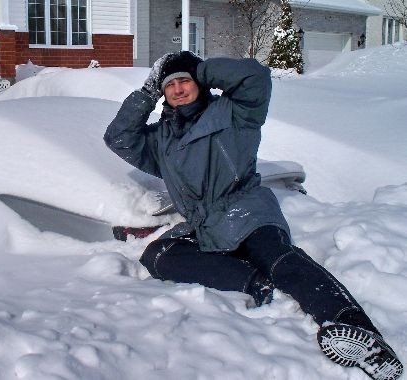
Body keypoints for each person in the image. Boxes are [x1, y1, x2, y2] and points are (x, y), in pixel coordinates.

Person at [104, 51, 403, 380]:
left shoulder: (234, 112)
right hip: (205, 226)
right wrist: (145, 94)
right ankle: (262, 287)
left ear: (200, 84)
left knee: (279, 257)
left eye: (185, 81)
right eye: (169, 84)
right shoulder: (162, 139)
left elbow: (254, 77)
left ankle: (361, 334)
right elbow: (118, 137)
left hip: (248, 211)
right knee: (159, 255)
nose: (177, 89)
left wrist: (201, 69)